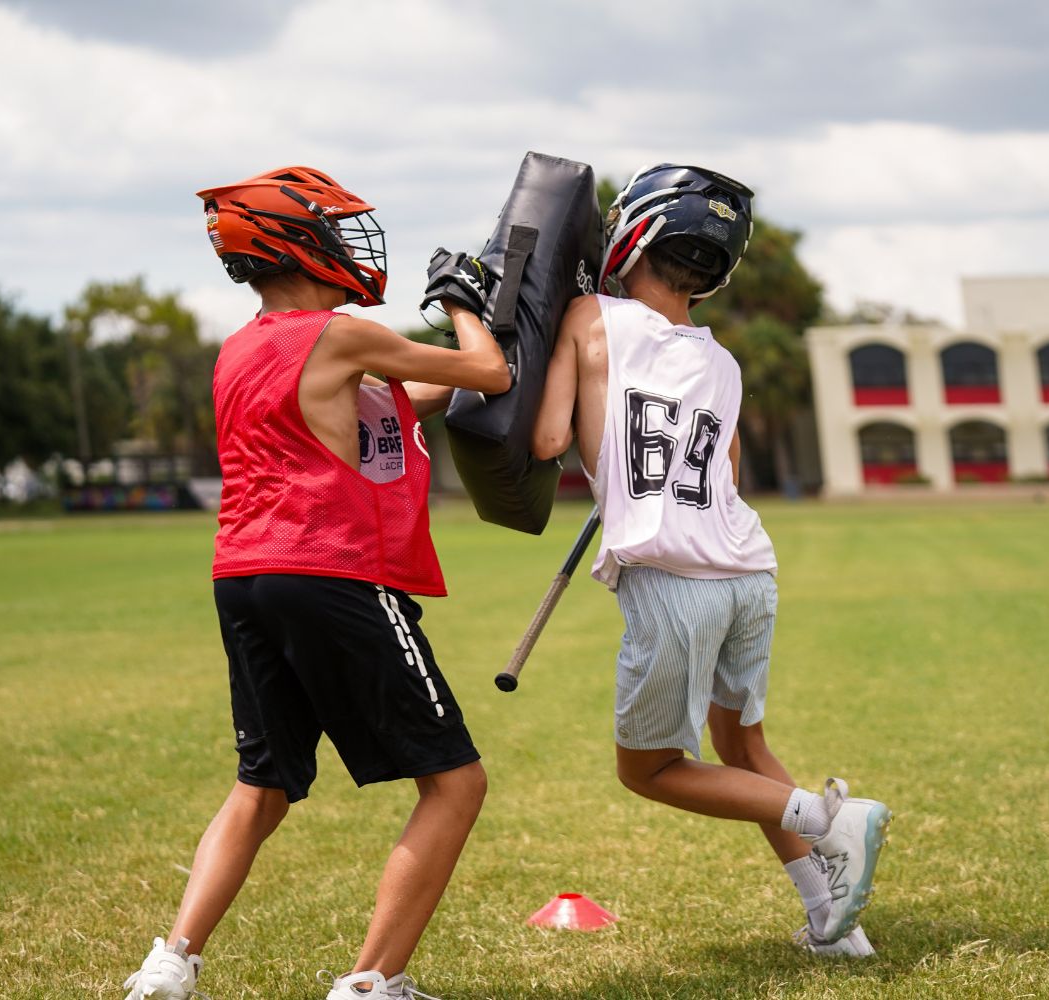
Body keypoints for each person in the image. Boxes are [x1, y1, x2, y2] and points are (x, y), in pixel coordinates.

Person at [119, 166, 510, 1000]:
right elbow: (490, 374)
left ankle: (170, 964)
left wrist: (458, 338)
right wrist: (466, 304)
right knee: (455, 783)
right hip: (331, 569)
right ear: (298, 245)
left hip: (244, 574)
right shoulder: (338, 335)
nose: (346, 248)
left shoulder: (242, 349)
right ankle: (372, 983)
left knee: (261, 785)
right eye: (332, 232)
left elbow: (389, 407)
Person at [531, 164, 892, 957]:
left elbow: (549, 440)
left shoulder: (590, 316)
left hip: (674, 583)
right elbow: (721, 476)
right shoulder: (722, 361)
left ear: (636, 237)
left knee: (652, 770)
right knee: (745, 749)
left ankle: (833, 819)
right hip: (749, 574)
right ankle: (834, 927)